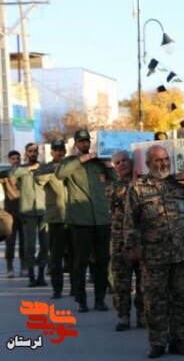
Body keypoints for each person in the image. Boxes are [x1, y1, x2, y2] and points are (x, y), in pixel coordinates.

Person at [123, 145, 184, 358]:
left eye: (166, 159)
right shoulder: (138, 188)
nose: (164, 164)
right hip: (154, 255)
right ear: (149, 164)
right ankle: (158, 341)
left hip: (182, 252)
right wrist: (132, 246)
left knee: (182, 297)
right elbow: (130, 220)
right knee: (155, 300)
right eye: (158, 160)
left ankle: (179, 340)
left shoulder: (180, 183)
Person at [56, 129, 115, 312]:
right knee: (80, 263)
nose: (85, 144)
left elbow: (115, 182)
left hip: (102, 220)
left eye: (87, 141)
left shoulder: (99, 164)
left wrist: (109, 166)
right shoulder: (70, 163)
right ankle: (81, 300)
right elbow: (60, 174)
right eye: (81, 141)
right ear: (76, 143)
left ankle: (99, 299)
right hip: (80, 221)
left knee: (102, 261)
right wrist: (82, 159)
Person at [105, 150, 144, 331]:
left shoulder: (146, 183)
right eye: (117, 162)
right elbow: (123, 195)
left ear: (131, 162)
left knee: (144, 280)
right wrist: (135, 183)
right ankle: (123, 315)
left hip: (143, 238)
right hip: (121, 240)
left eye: (124, 160)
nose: (121, 164)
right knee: (122, 281)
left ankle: (143, 314)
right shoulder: (112, 186)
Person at [0, 143, 48, 287]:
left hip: (43, 212)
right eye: (30, 151)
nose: (33, 153)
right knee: (28, 246)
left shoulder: (44, 168)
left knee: (45, 246)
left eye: (35, 151)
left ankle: (40, 274)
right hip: (25, 213)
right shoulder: (20, 169)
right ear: (26, 153)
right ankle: (30, 275)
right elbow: (10, 173)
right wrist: (28, 169)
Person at [35, 139, 71, 299]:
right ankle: (57, 289)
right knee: (55, 258)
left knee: (74, 257)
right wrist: (57, 168)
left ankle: (75, 288)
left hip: (74, 218)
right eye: (56, 150)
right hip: (56, 219)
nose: (59, 152)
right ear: (52, 152)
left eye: (61, 149)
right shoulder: (46, 168)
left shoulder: (72, 166)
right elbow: (38, 178)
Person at [1, 150, 24, 278]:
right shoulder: (5, 175)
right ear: (10, 161)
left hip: (24, 212)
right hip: (10, 214)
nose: (16, 160)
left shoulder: (24, 173)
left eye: (18, 158)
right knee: (10, 242)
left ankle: (24, 266)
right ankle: (10, 268)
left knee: (24, 242)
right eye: (14, 158)